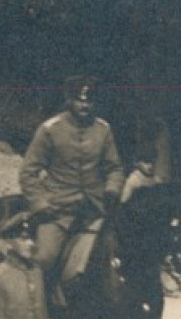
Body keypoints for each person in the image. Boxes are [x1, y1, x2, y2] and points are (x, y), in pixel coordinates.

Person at [19, 82, 125, 279]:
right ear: (69, 100)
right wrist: (40, 204)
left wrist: (112, 190)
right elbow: (28, 172)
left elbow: (115, 168)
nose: (85, 106)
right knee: (44, 260)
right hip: (58, 211)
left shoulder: (103, 129)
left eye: (89, 101)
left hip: (95, 209)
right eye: (79, 100)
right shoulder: (50, 129)